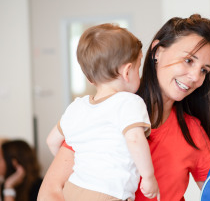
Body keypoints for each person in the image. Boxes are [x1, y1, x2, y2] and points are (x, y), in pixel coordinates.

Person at [38, 14, 210, 201]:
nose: (195, 77)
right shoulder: (104, 113)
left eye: (204, 70)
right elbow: (50, 192)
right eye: (189, 60)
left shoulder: (192, 132)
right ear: (157, 51)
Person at [45, 23, 159, 201]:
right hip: (109, 193)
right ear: (127, 71)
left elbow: (52, 141)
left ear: (90, 79)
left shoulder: (76, 107)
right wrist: (149, 177)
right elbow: (135, 139)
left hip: (73, 188)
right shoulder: (129, 102)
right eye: (138, 68)